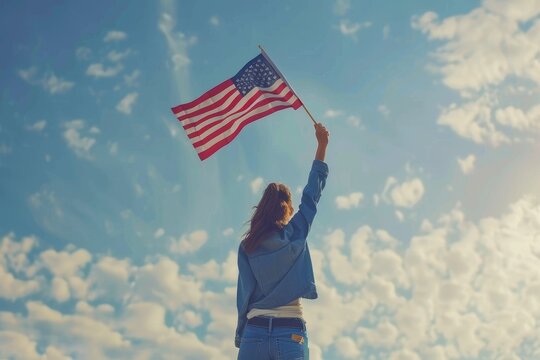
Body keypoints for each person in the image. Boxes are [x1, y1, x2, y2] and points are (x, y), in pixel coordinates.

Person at [235, 122, 330, 360]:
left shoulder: (248, 246)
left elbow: (245, 294)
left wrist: (241, 334)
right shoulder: (296, 232)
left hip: (254, 332)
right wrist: (322, 146)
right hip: (290, 331)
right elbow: (312, 196)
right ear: (287, 208)